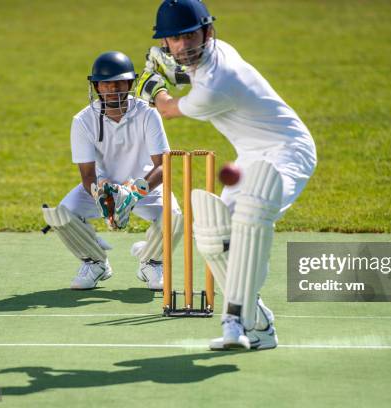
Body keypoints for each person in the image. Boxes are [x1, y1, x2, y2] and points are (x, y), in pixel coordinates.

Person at [136, 0, 317, 351]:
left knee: (250, 220)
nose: (184, 45)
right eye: (174, 39)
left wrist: (152, 87)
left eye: (190, 35)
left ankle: (233, 323)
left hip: (288, 152)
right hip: (250, 156)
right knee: (213, 238)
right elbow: (188, 72)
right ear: (166, 43)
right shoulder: (218, 55)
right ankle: (259, 323)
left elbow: (168, 110)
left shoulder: (219, 84)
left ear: (208, 31)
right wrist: (170, 73)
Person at [42, 51, 183, 291]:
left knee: (176, 218)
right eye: (106, 83)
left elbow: (164, 165)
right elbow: (87, 176)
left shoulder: (147, 114)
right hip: (101, 186)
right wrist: (104, 196)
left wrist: (134, 192)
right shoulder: (83, 120)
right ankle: (95, 262)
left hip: (145, 185)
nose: (112, 88)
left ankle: (151, 261)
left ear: (130, 83)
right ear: (96, 86)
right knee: (62, 214)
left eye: (119, 82)